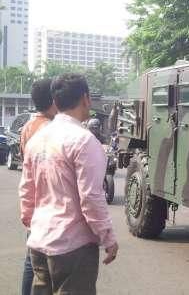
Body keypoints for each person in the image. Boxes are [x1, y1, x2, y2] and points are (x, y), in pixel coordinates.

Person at [19, 74, 118, 295]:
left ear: (55, 102)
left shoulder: (37, 140)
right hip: (73, 247)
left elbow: (27, 191)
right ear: (86, 98)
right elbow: (91, 198)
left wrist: (32, 224)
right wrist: (108, 238)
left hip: (39, 241)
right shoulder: (84, 141)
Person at [19, 79, 58, 295]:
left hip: (31, 198)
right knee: (46, 265)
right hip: (46, 203)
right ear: (54, 100)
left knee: (30, 261)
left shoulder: (28, 126)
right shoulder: (49, 128)